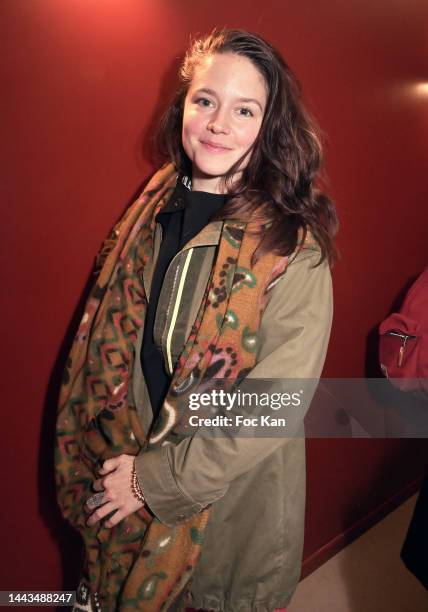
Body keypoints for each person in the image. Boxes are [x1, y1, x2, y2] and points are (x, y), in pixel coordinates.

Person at [55, 29, 337, 612]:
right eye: (205, 100)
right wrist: (121, 471)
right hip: (121, 473)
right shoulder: (153, 204)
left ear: (270, 125)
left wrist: (151, 482)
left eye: (244, 109)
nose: (218, 124)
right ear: (183, 103)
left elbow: (275, 403)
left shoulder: (293, 248)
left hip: (224, 512)